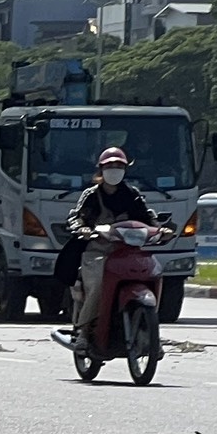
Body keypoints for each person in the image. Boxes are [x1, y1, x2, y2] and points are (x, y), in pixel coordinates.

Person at [68, 146, 165, 341]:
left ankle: (149, 332)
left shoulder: (132, 194)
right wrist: (83, 229)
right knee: (97, 285)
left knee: (154, 272)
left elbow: (147, 217)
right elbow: (77, 217)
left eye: (119, 165)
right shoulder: (91, 195)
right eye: (110, 165)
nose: (114, 169)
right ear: (101, 170)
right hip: (98, 251)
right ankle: (85, 331)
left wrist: (160, 229)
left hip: (129, 251)